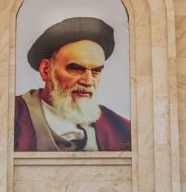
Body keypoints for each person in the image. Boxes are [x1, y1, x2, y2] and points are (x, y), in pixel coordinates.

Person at [14, 16, 131, 152]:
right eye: (76, 69)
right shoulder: (9, 115)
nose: (88, 81)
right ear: (46, 70)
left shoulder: (120, 129)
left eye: (96, 71)